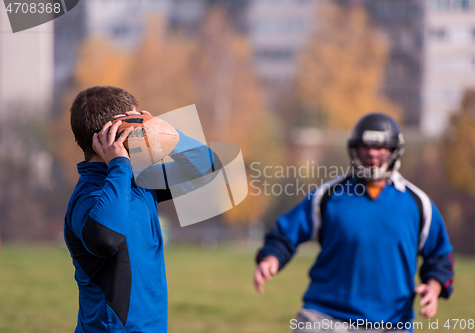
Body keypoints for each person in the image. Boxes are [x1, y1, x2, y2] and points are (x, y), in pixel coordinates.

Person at [254, 113, 454, 332]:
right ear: (353, 149)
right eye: (365, 146)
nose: (371, 153)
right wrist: (271, 258)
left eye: (381, 147)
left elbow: (440, 255)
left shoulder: (418, 204)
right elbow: (286, 232)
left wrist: (433, 288)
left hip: (392, 322)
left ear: (395, 150)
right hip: (325, 316)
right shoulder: (329, 195)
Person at [64, 85, 217, 332]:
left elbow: (206, 167)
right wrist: (119, 164)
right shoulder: (88, 197)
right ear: (115, 133)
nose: (144, 131)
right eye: (137, 124)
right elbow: (106, 238)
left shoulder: (139, 181)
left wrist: (169, 134)